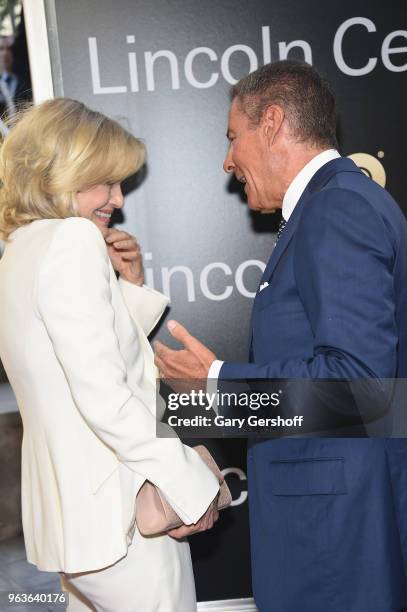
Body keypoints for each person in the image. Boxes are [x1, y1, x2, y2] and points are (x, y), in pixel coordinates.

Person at [155, 60, 407, 611]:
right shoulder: (332, 206)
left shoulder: (337, 208)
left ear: (271, 123)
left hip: (333, 539)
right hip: (328, 524)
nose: (227, 161)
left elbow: (362, 387)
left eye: (232, 137)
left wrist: (219, 382)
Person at [0, 98, 220, 612]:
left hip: (75, 526)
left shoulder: (20, 250)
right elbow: (104, 395)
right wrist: (189, 479)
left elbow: (65, 359)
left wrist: (131, 287)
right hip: (120, 522)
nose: (118, 199)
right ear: (66, 172)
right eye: (107, 182)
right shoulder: (73, 239)